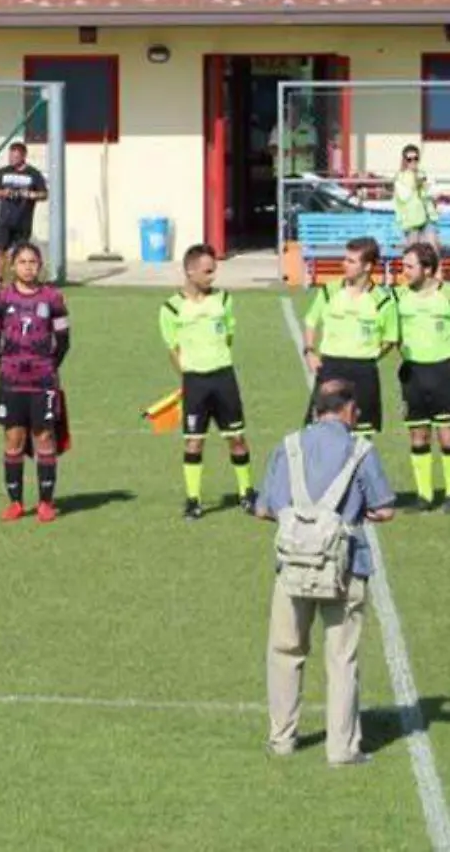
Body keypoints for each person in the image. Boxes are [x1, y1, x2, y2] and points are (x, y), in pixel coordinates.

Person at [256, 378, 395, 767]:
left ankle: (282, 738)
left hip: (293, 568)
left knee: (285, 651)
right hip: (344, 567)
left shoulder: (289, 447)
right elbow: (384, 508)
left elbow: (266, 509)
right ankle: (342, 748)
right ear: (348, 409)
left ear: (317, 408)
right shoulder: (361, 450)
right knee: (341, 657)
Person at [160, 244, 256, 520]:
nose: (212, 276)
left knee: (237, 439)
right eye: (207, 271)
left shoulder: (224, 300)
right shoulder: (170, 308)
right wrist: (189, 378)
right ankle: (193, 499)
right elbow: (173, 349)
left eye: (213, 270)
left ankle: (246, 492)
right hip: (195, 383)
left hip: (224, 377)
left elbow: (229, 336)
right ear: (190, 271)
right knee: (193, 443)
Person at [0, 242, 69, 522]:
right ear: (13, 266)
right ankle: (16, 503)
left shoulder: (53, 298)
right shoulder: (1, 298)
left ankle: (46, 503)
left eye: (33, 262)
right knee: (13, 439)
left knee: (44, 437)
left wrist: (47, 367)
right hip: (11, 380)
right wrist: (6, 364)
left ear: (40, 264)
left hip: (43, 379)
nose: (28, 267)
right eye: (22, 262)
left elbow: (64, 341)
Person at [302, 236, 396, 435]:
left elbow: (390, 338)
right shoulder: (329, 291)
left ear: (368, 266)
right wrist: (310, 351)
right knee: (321, 431)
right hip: (330, 367)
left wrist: (370, 355)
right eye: (345, 259)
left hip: (363, 371)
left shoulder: (383, 301)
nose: (344, 264)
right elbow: (311, 321)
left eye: (351, 261)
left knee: (361, 437)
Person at [395, 242, 450, 508]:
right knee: (418, 434)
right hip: (412, 373)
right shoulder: (398, 297)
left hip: (443, 370)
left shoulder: (447, 294)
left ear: (427, 269)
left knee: (447, 436)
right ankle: (424, 495)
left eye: (409, 266)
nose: (403, 271)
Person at [0, 142, 47, 284]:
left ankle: (13, 280)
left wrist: (30, 195)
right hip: (5, 219)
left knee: (16, 253)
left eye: (15, 156)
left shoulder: (33, 174)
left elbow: (43, 194)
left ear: (23, 156)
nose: (12, 159)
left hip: (23, 221)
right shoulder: (3, 172)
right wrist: (3, 192)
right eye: (10, 156)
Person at [394, 144, 437, 247]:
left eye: (416, 158)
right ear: (404, 160)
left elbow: (427, 193)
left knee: (433, 246)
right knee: (414, 251)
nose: (413, 161)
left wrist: (432, 201)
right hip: (411, 221)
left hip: (426, 218)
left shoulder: (422, 173)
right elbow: (404, 196)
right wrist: (416, 182)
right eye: (409, 159)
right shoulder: (400, 177)